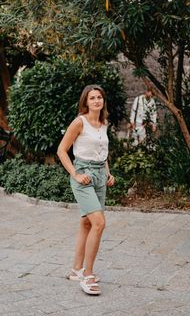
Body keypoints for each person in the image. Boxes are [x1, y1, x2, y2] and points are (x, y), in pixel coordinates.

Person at [57, 84, 115, 296]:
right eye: (92, 98)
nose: (96, 101)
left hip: (100, 175)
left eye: (99, 97)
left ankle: (75, 269)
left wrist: (108, 174)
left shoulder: (103, 123)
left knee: (87, 222)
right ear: (86, 102)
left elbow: (103, 152)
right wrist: (75, 174)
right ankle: (88, 275)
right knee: (99, 223)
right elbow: (62, 150)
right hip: (83, 176)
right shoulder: (79, 122)